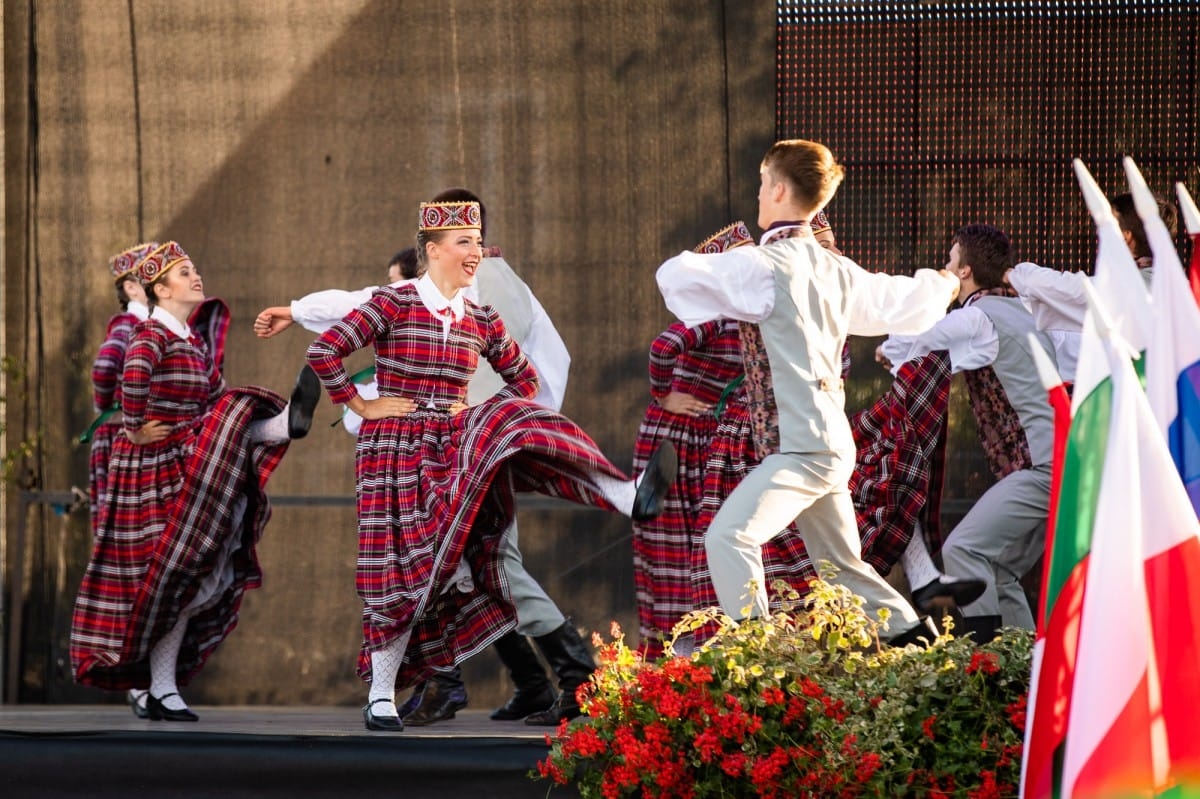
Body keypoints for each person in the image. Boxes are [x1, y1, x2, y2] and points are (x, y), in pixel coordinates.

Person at [304, 198, 673, 732]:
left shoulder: (479, 316)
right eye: (463, 242)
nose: (475, 251)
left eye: (477, 241)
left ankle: (623, 493)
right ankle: (381, 696)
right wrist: (361, 404)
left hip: (452, 447)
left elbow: (524, 382)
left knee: (515, 419)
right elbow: (325, 353)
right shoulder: (393, 301)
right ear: (431, 251)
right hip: (393, 453)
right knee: (404, 574)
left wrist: (476, 409)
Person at [656, 139, 960, 645]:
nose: (757, 196)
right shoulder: (833, 268)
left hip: (802, 448)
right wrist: (948, 283)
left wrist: (726, 256)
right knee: (843, 568)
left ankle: (758, 659)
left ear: (777, 188)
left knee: (729, 536)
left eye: (760, 184)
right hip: (829, 444)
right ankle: (921, 647)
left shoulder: (764, 266)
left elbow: (674, 277)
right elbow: (903, 299)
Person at [69, 241, 321, 721]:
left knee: (184, 573)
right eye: (185, 273)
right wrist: (134, 427)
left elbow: (211, 397)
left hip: (185, 451)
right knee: (164, 576)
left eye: (194, 270)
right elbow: (127, 380)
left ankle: (162, 687)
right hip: (151, 466)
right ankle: (280, 423)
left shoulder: (190, 340)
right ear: (160, 289)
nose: (196, 277)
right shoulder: (149, 335)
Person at [878, 224, 1056, 641]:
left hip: (1042, 466)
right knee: (999, 569)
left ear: (964, 271)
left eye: (950, 259)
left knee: (963, 551)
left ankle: (986, 663)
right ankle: (1022, 676)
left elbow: (925, 342)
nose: (946, 266)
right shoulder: (1022, 313)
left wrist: (888, 348)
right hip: (1061, 464)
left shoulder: (979, 317)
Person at [630, 222, 753, 658]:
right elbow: (663, 348)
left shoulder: (748, 309)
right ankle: (674, 658)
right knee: (670, 550)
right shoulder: (716, 311)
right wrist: (666, 395)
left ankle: (699, 652)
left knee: (701, 546)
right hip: (674, 439)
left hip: (709, 441)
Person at [1006, 191, 1179, 384]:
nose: (1099, 233)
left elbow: (1068, 289)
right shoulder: (1177, 287)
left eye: (1106, 224)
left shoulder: (1125, 288)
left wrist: (1011, 276)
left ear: (1125, 237)